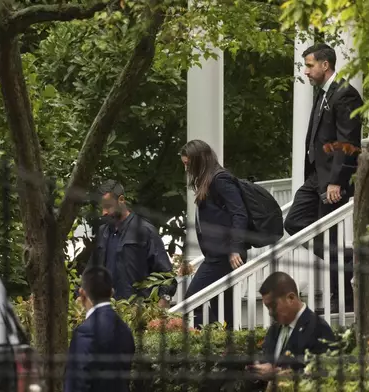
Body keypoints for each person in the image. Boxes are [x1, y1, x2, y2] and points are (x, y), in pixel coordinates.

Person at [284, 43, 362, 313]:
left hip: (332, 179)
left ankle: (342, 299)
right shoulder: (323, 94)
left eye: (309, 65)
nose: (305, 71)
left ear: (325, 65)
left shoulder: (345, 95)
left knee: (329, 238)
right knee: (295, 222)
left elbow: (347, 142)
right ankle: (346, 260)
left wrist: (337, 181)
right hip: (317, 175)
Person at [180, 139, 249, 329]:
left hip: (225, 256)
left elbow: (239, 213)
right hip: (217, 255)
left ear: (198, 160)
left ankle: (206, 339)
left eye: (188, 164)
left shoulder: (220, 179)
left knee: (191, 303)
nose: (186, 169)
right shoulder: (209, 182)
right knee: (225, 311)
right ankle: (229, 348)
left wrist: (235, 248)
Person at [88, 180, 177, 307]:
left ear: (121, 200)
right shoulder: (103, 233)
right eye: (102, 207)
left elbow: (167, 277)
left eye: (108, 206)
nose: (104, 212)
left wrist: (160, 308)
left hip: (137, 313)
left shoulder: (145, 231)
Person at [247, 272, 335, 389]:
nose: (270, 313)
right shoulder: (274, 329)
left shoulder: (319, 329)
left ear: (291, 298)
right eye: (267, 307)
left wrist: (278, 375)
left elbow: (326, 377)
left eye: (273, 305)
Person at [64, 266, 135, 392]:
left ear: (82, 293)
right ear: (111, 292)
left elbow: (77, 384)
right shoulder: (124, 330)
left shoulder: (84, 332)